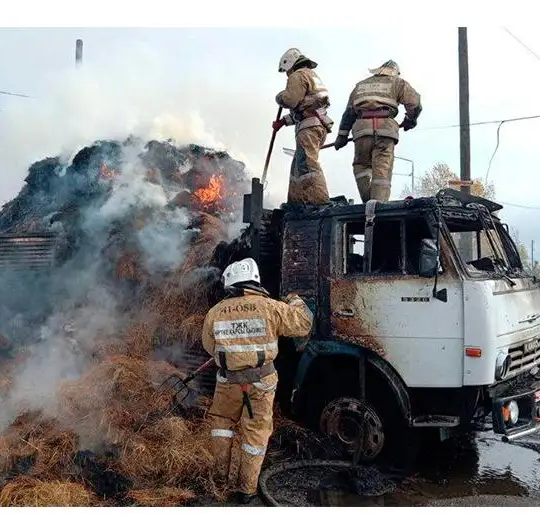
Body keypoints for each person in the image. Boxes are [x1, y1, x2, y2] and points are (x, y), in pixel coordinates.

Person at [202, 258, 314, 503]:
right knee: (255, 432)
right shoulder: (270, 307)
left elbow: (209, 346)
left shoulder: (215, 311)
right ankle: (246, 489)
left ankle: (220, 480)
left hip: (228, 381)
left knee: (222, 424)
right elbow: (304, 323)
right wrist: (295, 299)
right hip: (261, 382)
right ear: (255, 280)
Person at [333, 60, 422, 202]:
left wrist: (341, 137)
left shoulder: (360, 85)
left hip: (362, 131)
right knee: (382, 173)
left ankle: (368, 202)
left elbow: (349, 113)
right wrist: (410, 120)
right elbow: (415, 104)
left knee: (361, 166)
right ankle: (377, 208)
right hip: (385, 131)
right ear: (394, 73)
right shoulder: (398, 83)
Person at [272, 48, 334, 206]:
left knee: (307, 164)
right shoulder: (311, 75)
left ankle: (320, 201)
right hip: (316, 124)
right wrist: (283, 121)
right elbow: (304, 107)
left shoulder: (298, 75)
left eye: (287, 71)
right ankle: (296, 202)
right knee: (298, 166)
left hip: (309, 127)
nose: (287, 75)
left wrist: (279, 97)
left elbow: (291, 100)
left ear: (291, 64)